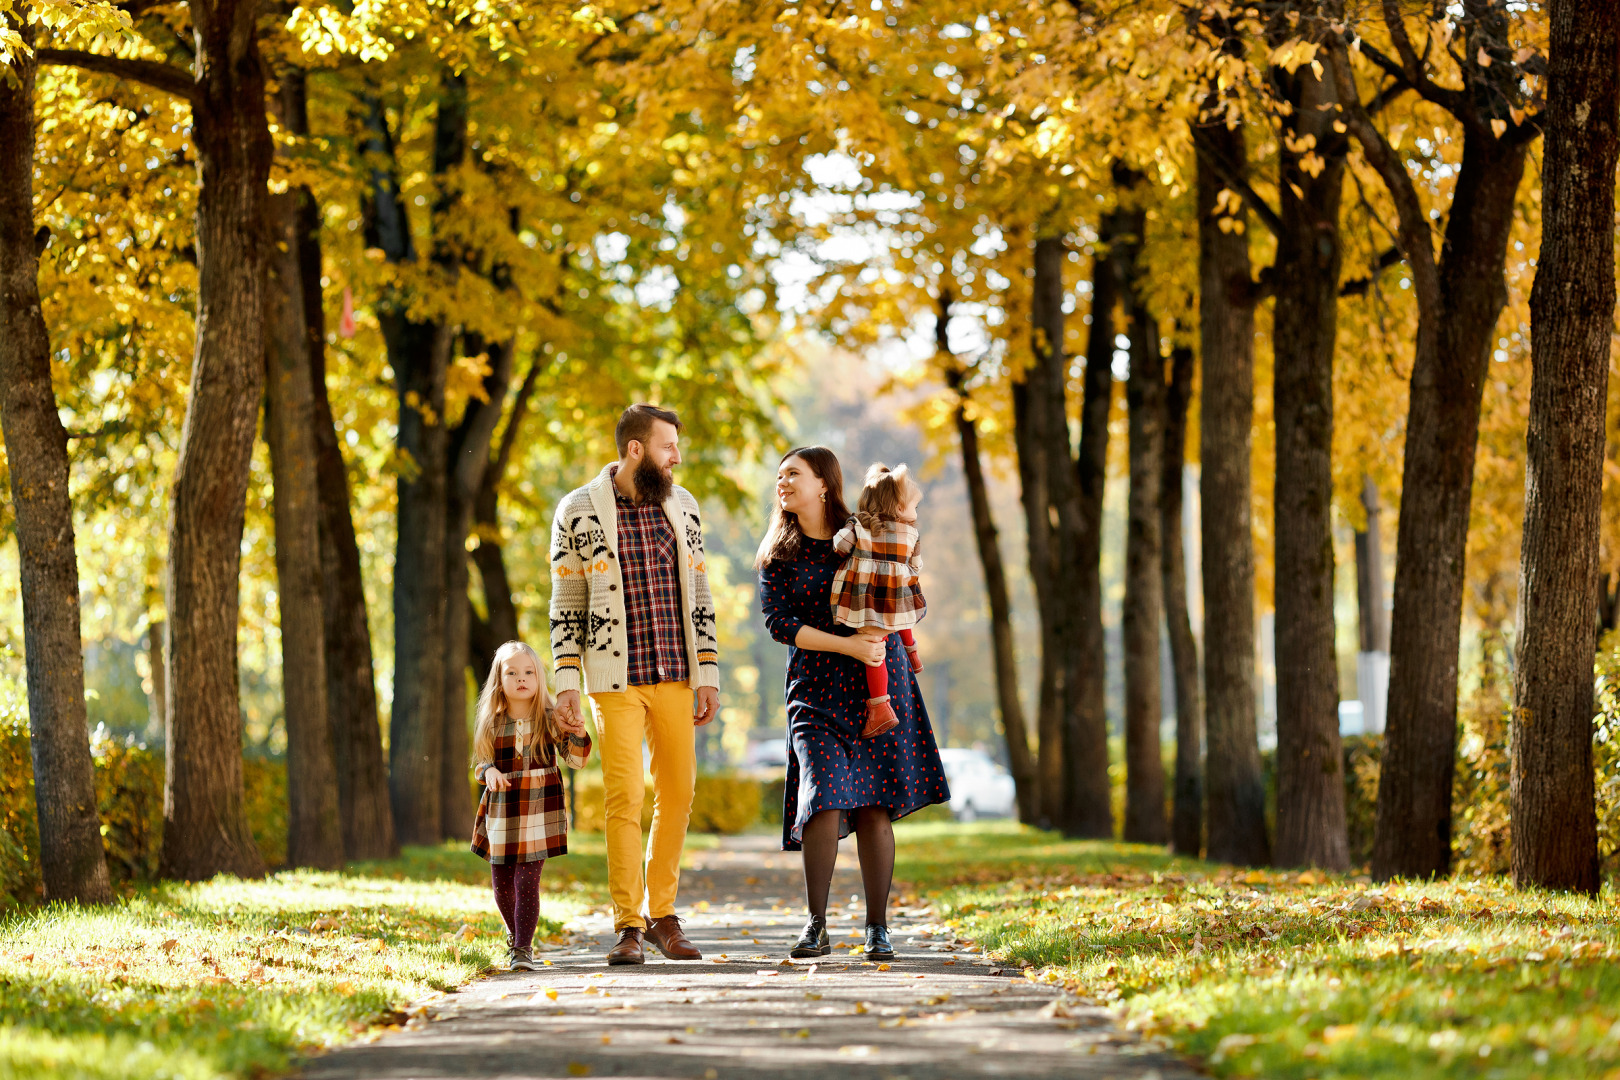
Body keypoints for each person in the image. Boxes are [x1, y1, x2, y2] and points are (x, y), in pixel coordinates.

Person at [755, 447, 950, 962]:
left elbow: (901, 575)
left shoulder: (864, 527)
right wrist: (848, 644)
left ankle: (877, 929)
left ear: (824, 483)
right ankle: (816, 924)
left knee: (872, 807)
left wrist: (898, 644)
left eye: (792, 474)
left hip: (877, 689)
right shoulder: (779, 553)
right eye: (779, 476)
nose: (782, 482)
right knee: (821, 796)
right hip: (815, 691)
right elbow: (780, 625)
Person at [548, 403, 721, 966]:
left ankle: (663, 915)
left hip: (677, 671)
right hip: (613, 678)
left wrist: (709, 674)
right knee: (625, 798)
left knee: (679, 792)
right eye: (668, 447)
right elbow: (566, 601)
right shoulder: (578, 511)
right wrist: (567, 678)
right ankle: (628, 922)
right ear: (635, 449)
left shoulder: (685, 505)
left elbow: (700, 594)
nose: (677, 458)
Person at [470, 641, 591, 971]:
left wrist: (578, 732)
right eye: (512, 673)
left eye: (528, 672)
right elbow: (480, 763)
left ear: (539, 678)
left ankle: (523, 948)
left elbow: (576, 760)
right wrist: (490, 770)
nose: (521, 678)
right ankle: (514, 935)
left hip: (539, 807)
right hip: (503, 809)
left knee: (526, 881)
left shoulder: (550, 718)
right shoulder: (492, 722)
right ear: (500, 680)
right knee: (501, 885)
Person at [830, 463, 928, 738]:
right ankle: (912, 651)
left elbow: (839, 546)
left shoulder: (859, 525)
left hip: (866, 603)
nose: (915, 513)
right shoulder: (911, 534)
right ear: (898, 507)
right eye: (914, 507)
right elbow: (916, 566)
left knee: (874, 652)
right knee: (899, 614)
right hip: (897, 603)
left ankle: (880, 707)